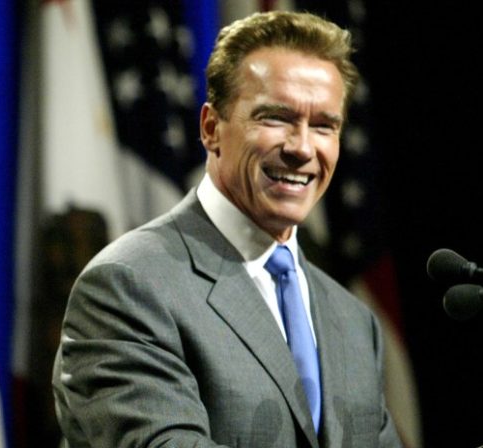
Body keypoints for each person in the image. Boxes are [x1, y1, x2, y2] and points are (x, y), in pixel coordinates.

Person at [52, 10, 401, 448]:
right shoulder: (128, 287)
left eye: (323, 126)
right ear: (211, 128)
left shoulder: (354, 321)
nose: (302, 148)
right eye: (276, 118)